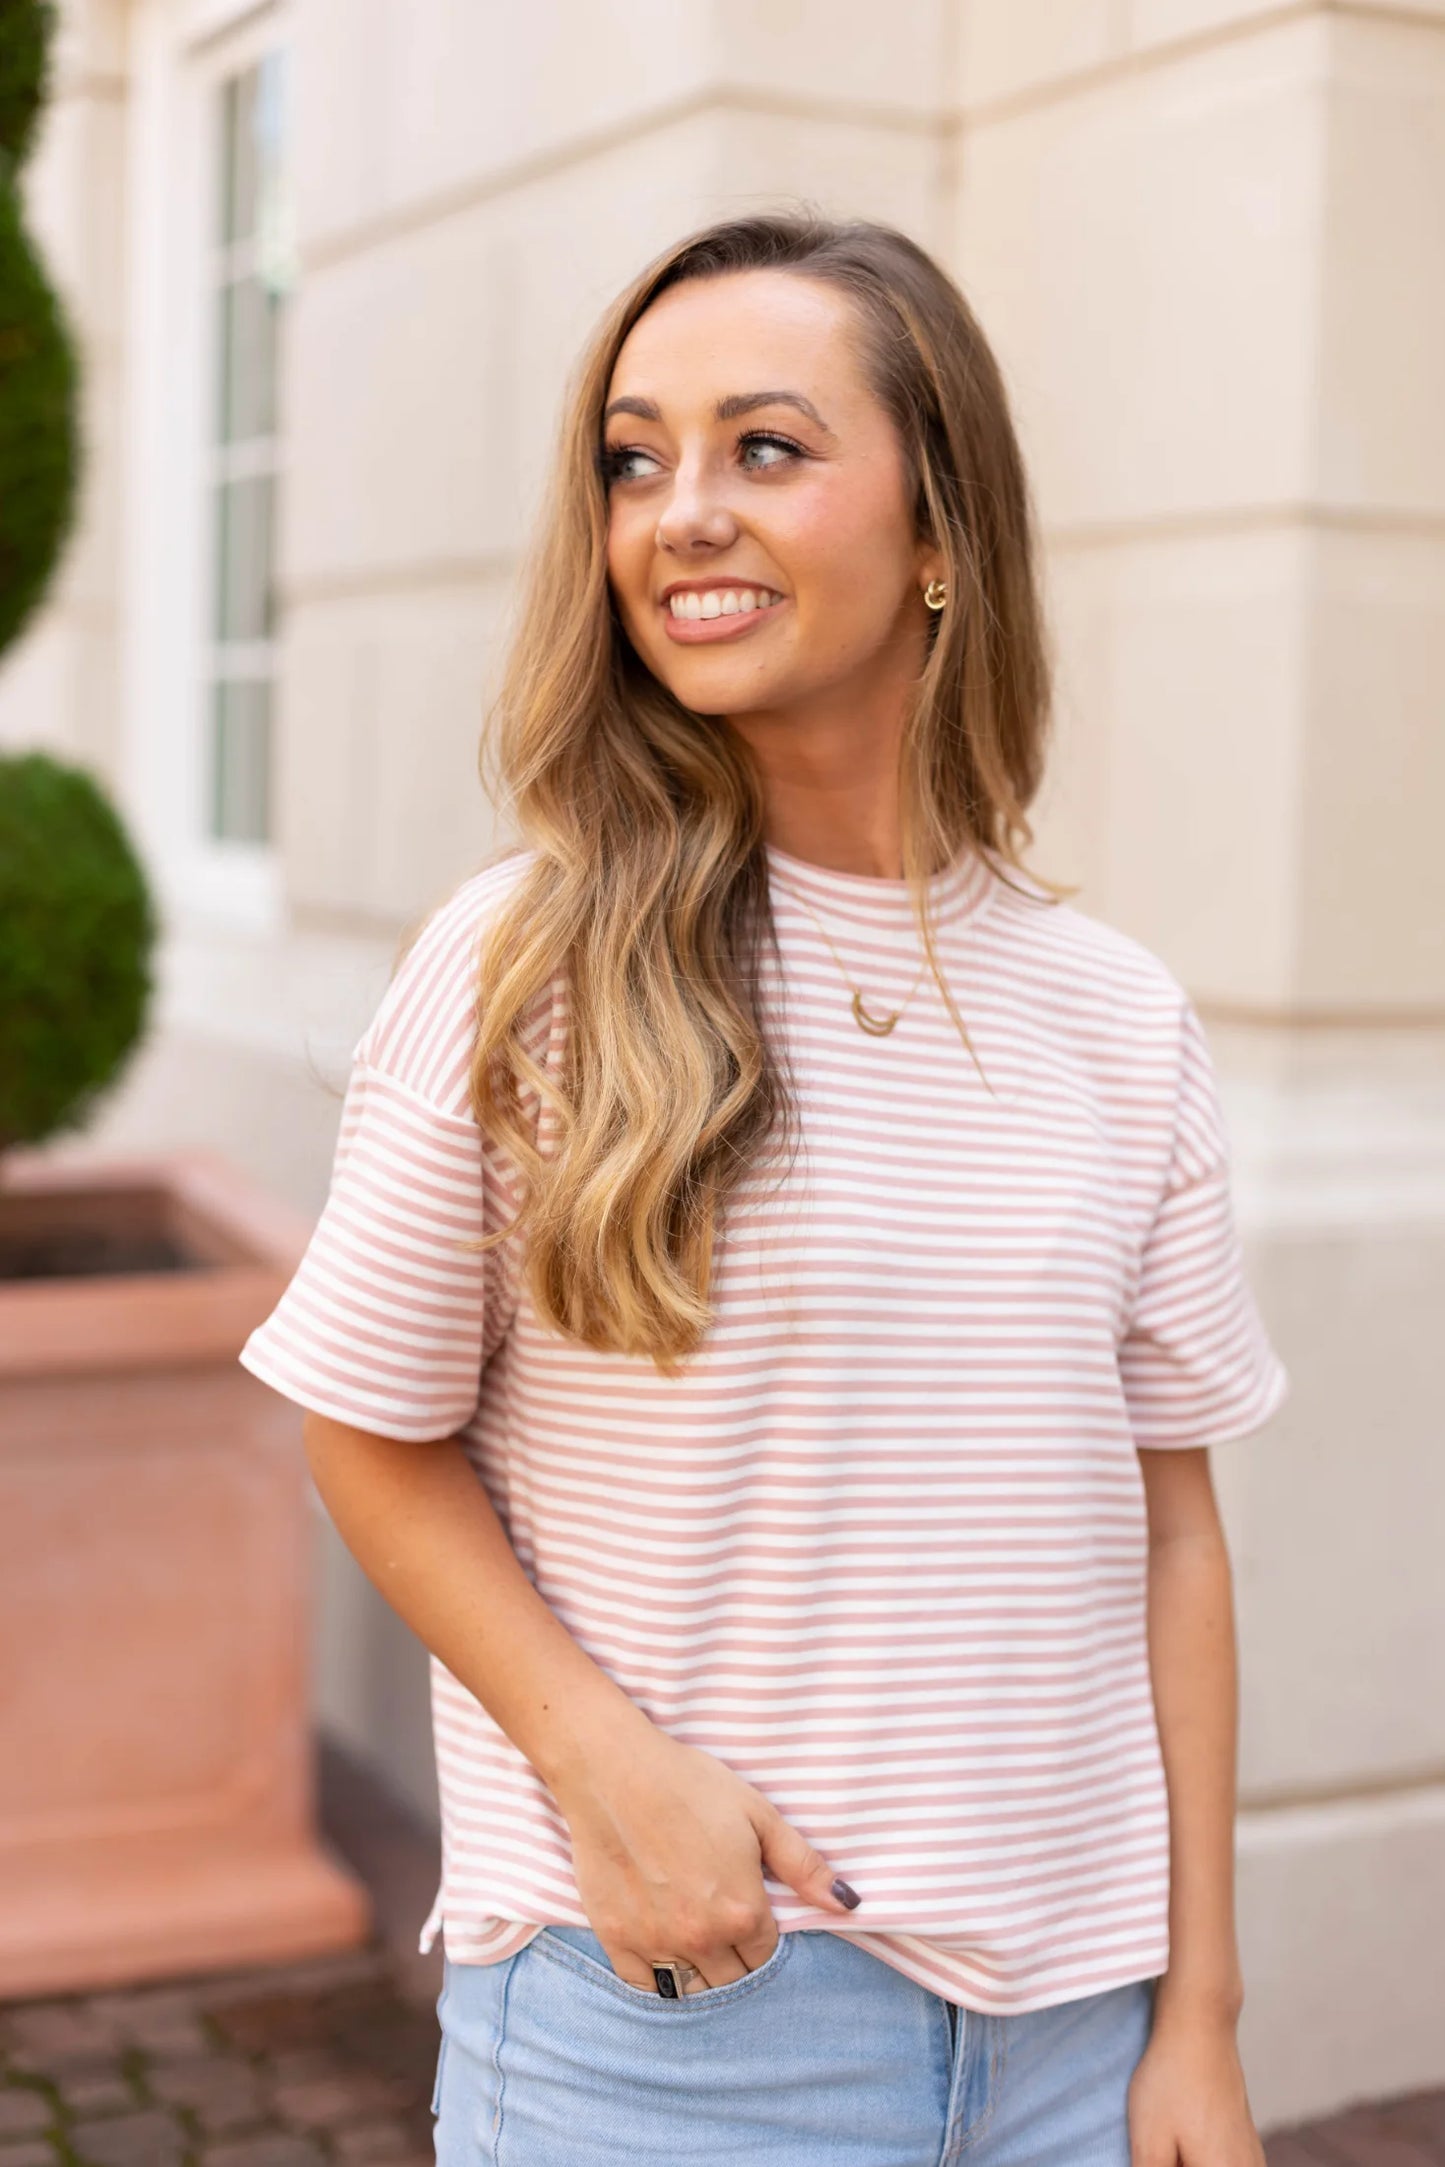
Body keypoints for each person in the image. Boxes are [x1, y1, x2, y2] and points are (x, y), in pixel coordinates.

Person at [238, 210, 1290, 2166]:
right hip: (680, 2023)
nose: (678, 513)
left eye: (766, 449)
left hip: (1073, 2033)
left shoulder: (1117, 1017)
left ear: (942, 530)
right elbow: (365, 1429)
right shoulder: (522, 962)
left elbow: (1171, 1535)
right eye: (636, 461)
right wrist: (606, 1770)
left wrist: (1200, 2011)